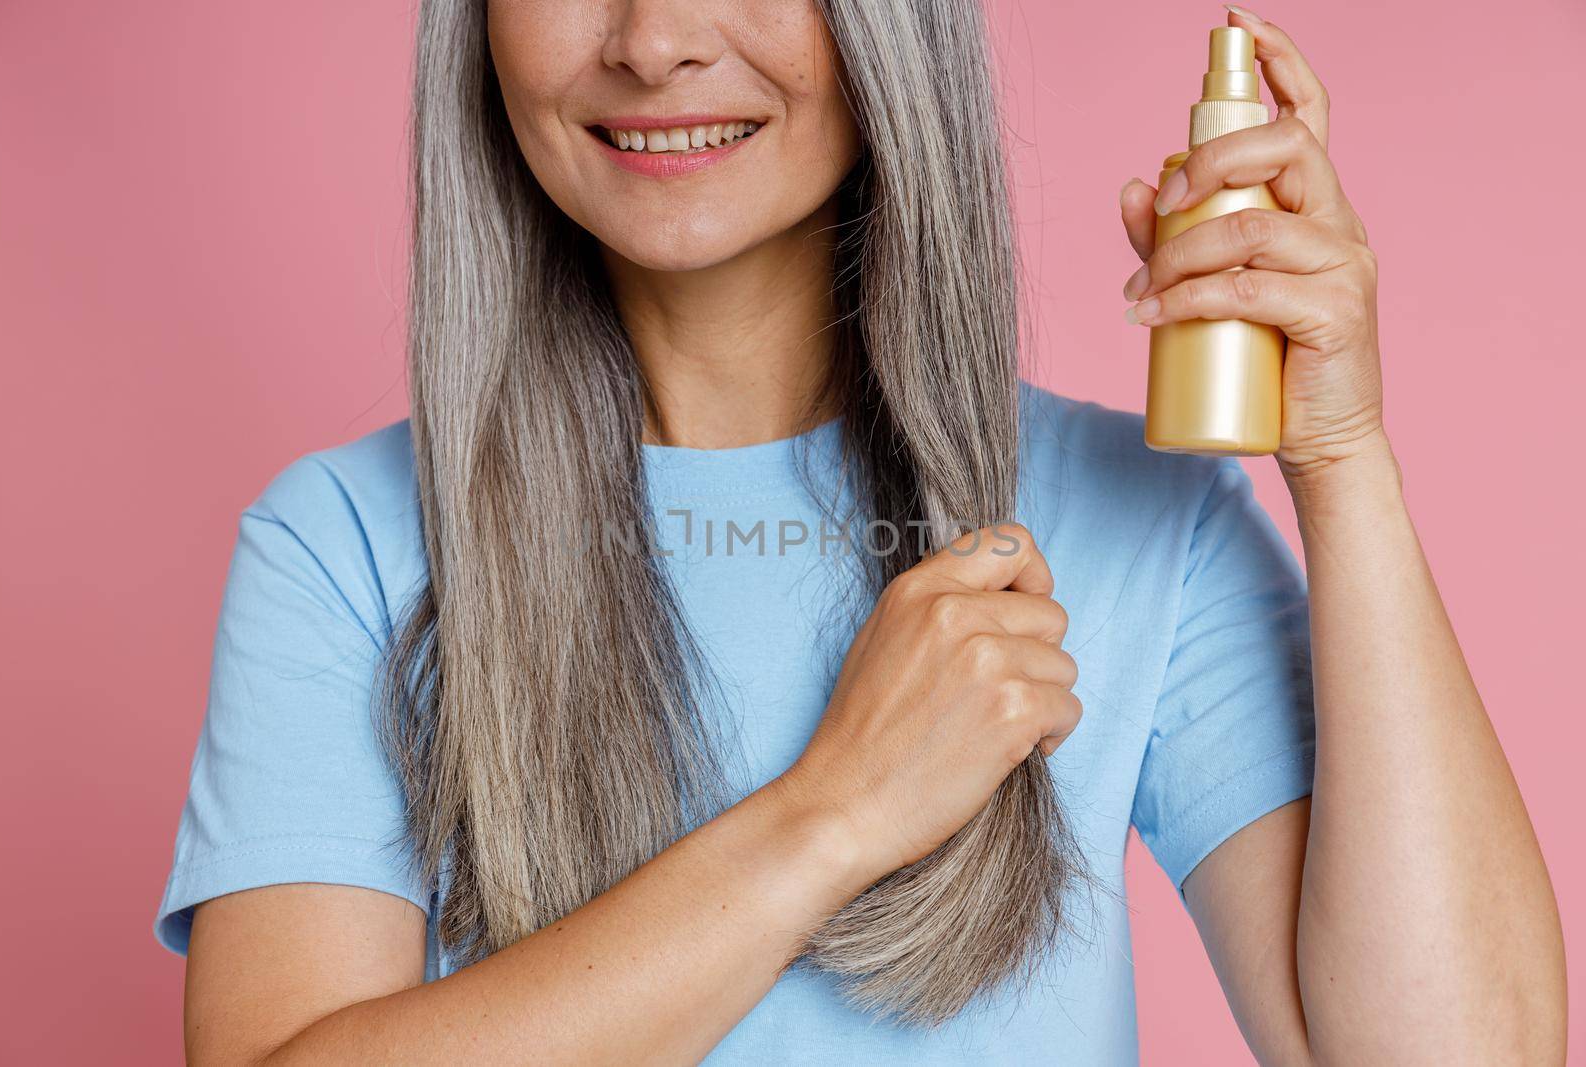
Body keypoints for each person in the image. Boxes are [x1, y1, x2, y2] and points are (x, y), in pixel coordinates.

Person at [155, 2, 1566, 1062]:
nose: (654, 42)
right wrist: (833, 816)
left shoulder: (1141, 517)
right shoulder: (344, 546)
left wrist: (1340, 458)